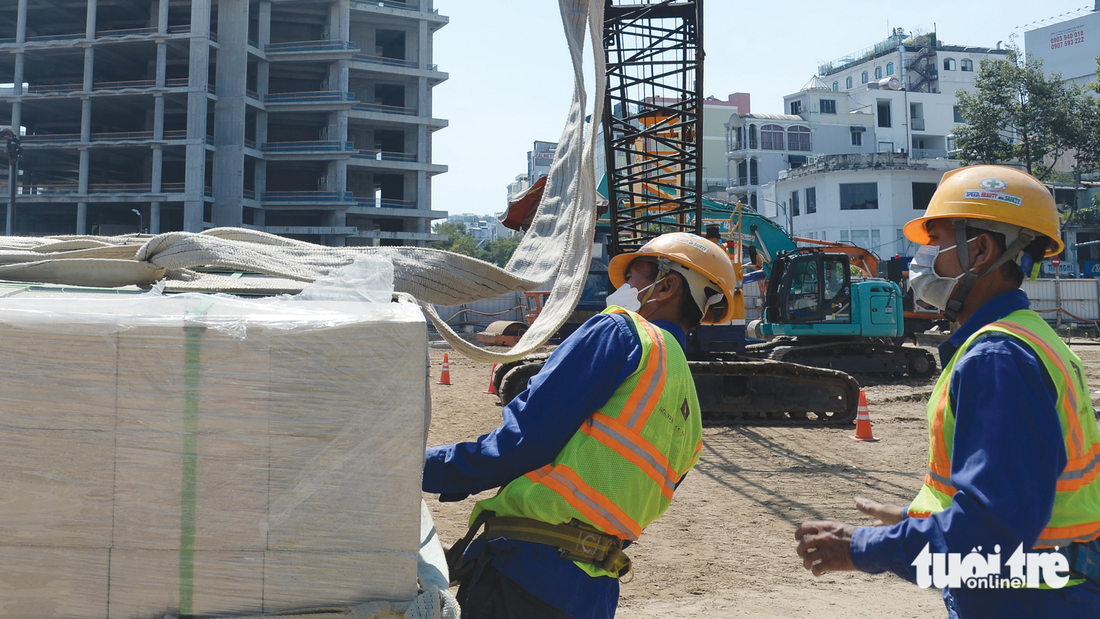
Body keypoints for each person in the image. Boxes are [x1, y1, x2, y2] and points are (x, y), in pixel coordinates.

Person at [794, 165, 1100, 617]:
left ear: (979, 250)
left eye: (935, 243)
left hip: (1028, 599)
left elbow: (991, 532)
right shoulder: (1029, 339)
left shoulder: (998, 357)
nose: (921, 260)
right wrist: (922, 522)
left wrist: (862, 547)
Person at [423, 232, 739, 619]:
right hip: (591, 594)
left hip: (525, 574)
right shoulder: (689, 409)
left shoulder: (623, 332)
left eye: (633, 280)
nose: (623, 289)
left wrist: (415, 466)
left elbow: (521, 443)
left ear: (667, 285)